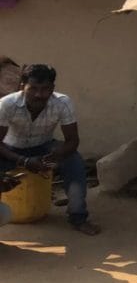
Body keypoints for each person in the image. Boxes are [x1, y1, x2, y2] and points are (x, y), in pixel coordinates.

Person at [0, 64, 98, 235]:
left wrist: (54, 157)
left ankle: (78, 217)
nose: (39, 94)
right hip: (10, 149)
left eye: (45, 89)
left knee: (74, 162)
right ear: (23, 87)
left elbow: (72, 141)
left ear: (52, 88)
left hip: (44, 146)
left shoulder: (62, 103)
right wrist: (23, 161)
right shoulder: (6, 104)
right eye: (33, 89)